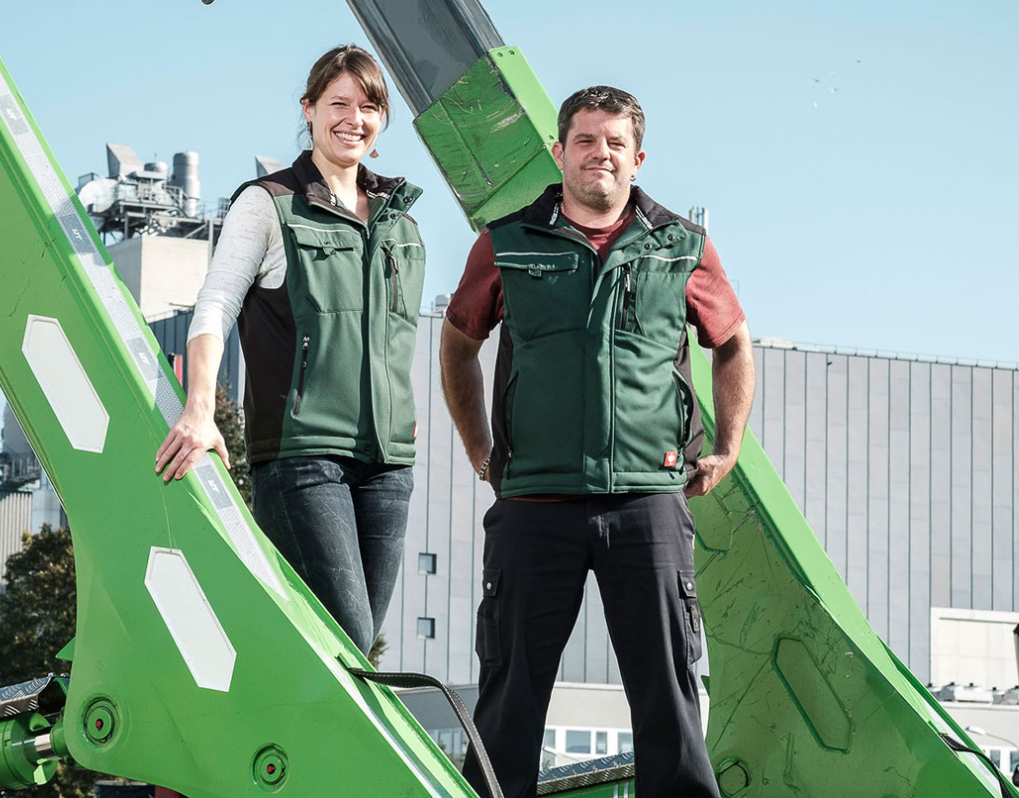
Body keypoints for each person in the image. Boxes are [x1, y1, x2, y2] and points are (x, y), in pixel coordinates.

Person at [439, 85, 755, 798]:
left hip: (647, 502)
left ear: (637, 158)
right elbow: (457, 343)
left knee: (669, 701)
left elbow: (732, 343)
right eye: (585, 140)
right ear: (560, 152)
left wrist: (728, 444)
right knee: (509, 696)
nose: (599, 154)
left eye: (615, 143)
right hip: (534, 505)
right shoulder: (507, 242)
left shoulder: (682, 246)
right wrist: (479, 446)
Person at [155, 45, 426, 657]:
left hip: (388, 467)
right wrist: (199, 408)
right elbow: (215, 306)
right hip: (302, 459)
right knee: (345, 634)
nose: (353, 118)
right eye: (338, 103)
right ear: (307, 110)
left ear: (381, 121)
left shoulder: (400, 222)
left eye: (368, 106)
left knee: (351, 654)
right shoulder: (269, 203)